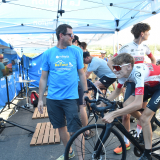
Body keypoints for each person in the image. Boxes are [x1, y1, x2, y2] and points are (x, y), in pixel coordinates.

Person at [37, 24, 88, 160]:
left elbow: (82, 74)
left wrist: (86, 92)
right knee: (61, 127)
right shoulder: (48, 53)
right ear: (61, 35)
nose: (73, 37)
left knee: (76, 129)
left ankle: (81, 158)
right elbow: (43, 78)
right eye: (70, 34)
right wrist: (40, 99)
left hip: (71, 97)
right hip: (53, 98)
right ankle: (69, 151)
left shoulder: (76, 51)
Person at [108, 22, 156, 154]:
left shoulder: (145, 47)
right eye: (148, 32)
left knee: (142, 110)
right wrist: (118, 73)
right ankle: (125, 141)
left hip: (144, 80)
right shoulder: (126, 47)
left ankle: (140, 135)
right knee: (126, 112)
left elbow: (153, 59)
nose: (149, 34)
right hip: (130, 80)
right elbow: (110, 61)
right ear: (142, 33)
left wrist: (149, 70)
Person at [102, 53, 160, 160]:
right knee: (126, 104)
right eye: (114, 67)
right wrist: (101, 103)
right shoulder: (123, 73)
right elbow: (117, 91)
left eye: (118, 67)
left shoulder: (137, 73)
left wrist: (113, 114)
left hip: (158, 86)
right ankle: (146, 123)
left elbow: (138, 104)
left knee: (144, 118)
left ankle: (148, 154)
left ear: (129, 66)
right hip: (150, 84)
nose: (115, 70)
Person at [72, 36, 93, 139]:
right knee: (82, 107)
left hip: (71, 82)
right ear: (76, 42)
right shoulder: (78, 51)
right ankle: (86, 130)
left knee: (72, 107)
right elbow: (82, 70)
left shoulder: (65, 51)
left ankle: (74, 131)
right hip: (79, 80)